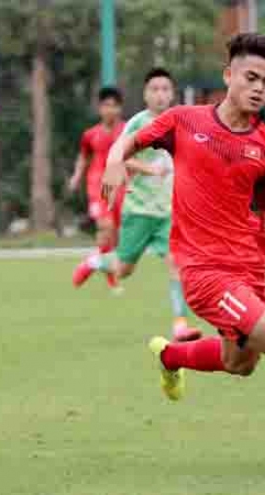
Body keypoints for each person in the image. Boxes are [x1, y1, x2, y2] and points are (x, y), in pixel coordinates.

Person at [103, 33, 265, 431]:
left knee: (241, 363)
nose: (258, 89)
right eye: (250, 78)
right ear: (229, 75)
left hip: (248, 271)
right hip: (204, 273)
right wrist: (115, 160)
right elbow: (128, 142)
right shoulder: (184, 120)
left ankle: (170, 357)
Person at [72, 68, 196, 339]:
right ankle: (95, 261)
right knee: (124, 268)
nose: (160, 94)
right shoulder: (138, 124)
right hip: (138, 210)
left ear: (172, 93)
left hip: (169, 213)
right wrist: (148, 169)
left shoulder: (181, 122)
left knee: (177, 265)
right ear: (145, 94)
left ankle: (180, 325)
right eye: (155, 89)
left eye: (165, 89)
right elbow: (118, 157)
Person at [68, 87, 126, 291]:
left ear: (119, 109)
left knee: (116, 238)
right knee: (106, 227)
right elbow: (83, 157)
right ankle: (98, 270)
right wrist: (76, 176)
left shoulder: (127, 131)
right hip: (97, 186)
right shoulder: (91, 134)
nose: (109, 110)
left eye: (113, 105)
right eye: (105, 105)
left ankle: (98, 266)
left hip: (119, 185)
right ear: (100, 108)